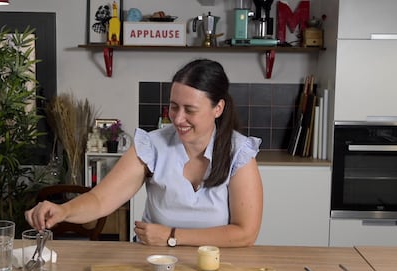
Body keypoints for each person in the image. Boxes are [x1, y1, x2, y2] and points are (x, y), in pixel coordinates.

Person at [25, 59, 264, 247]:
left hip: (215, 266)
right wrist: (63, 211)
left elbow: (245, 234)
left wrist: (172, 236)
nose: (178, 118)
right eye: (173, 106)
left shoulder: (239, 152)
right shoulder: (152, 145)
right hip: (153, 263)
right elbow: (101, 199)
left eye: (190, 110)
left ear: (218, 108)